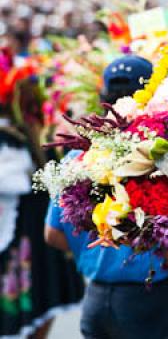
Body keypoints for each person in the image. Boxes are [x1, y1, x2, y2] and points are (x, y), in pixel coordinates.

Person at [44, 55, 168, 339]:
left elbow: (52, 234)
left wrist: (96, 247)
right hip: (151, 303)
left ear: (103, 98)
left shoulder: (75, 159)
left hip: (95, 302)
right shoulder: (156, 161)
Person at [0, 49, 84, 338]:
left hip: (31, 238)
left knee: (34, 307)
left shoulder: (21, 138)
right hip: (26, 239)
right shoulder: (17, 139)